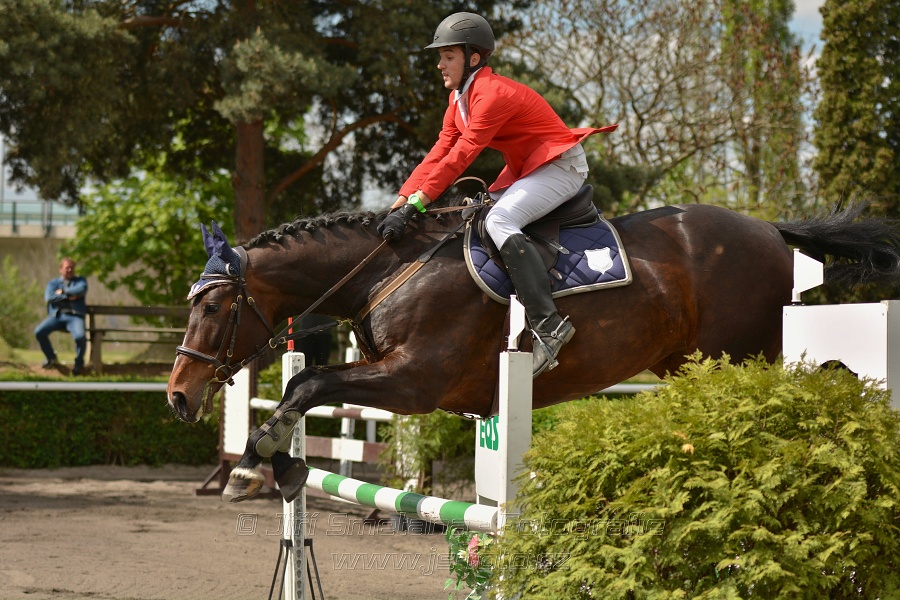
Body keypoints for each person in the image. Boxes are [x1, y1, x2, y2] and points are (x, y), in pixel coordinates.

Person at [377, 12, 616, 377]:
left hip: (559, 166)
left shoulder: (492, 95)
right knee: (476, 214)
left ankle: (549, 325)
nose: (439, 64)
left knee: (500, 219)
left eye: (448, 56)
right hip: (531, 168)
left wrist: (418, 205)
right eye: (440, 56)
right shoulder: (459, 99)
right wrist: (398, 203)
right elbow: (440, 152)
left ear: (474, 58)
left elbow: (462, 156)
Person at [34, 257, 88, 375]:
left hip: (75, 317)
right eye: (67, 267)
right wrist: (69, 296)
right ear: (60, 269)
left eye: (72, 267)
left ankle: (79, 364)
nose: (69, 269)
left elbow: (81, 289)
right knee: (39, 332)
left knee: (80, 337)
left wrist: (62, 292)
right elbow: (49, 297)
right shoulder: (53, 283)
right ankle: (51, 358)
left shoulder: (80, 281)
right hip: (57, 316)